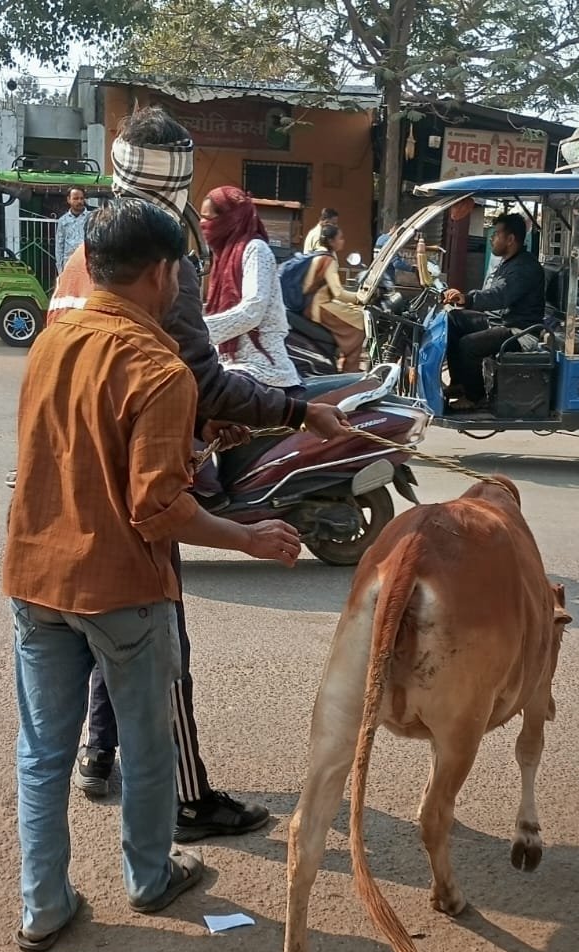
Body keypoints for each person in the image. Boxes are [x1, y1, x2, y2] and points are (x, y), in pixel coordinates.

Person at [3, 199, 303, 952]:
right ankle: (148, 877)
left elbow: (84, 452)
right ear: (164, 273)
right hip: (121, 589)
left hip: (35, 577)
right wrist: (248, 538)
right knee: (146, 746)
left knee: (43, 753)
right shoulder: (160, 368)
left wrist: (193, 445)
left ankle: (43, 907)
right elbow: (157, 509)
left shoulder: (51, 339)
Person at [46, 105, 349, 842]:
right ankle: (183, 804)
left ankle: (96, 754)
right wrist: (297, 412)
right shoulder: (164, 268)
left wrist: (206, 420)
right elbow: (198, 382)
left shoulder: (82, 258)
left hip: (64, 487)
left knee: (100, 635)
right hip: (136, 485)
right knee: (163, 648)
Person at [200, 185, 302, 390]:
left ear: (230, 219)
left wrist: (199, 330)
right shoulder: (222, 256)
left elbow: (252, 310)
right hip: (229, 363)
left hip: (261, 366)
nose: (202, 224)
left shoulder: (255, 250)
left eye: (208, 218)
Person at [441, 212, 546, 407]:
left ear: (510, 239)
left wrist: (467, 298)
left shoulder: (524, 267)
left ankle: (475, 398)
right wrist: (464, 301)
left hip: (520, 331)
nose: (492, 239)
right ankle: (460, 383)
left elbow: (500, 295)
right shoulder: (510, 262)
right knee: (453, 319)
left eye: (496, 234)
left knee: (468, 345)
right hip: (501, 322)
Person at [295, 223, 368, 371]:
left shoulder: (316, 254)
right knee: (359, 322)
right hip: (319, 307)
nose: (343, 241)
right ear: (331, 241)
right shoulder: (328, 260)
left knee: (351, 312)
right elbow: (338, 293)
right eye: (340, 238)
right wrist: (359, 298)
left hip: (310, 304)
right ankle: (349, 369)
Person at [54, 186, 89, 269]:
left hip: (86, 263)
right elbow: (59, 246)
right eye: (76, 198)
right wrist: (60, 269)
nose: (79, 201)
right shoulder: (63, 220)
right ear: (68, 200)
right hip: (69, 264)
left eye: (81, 198)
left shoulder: (91, 218)